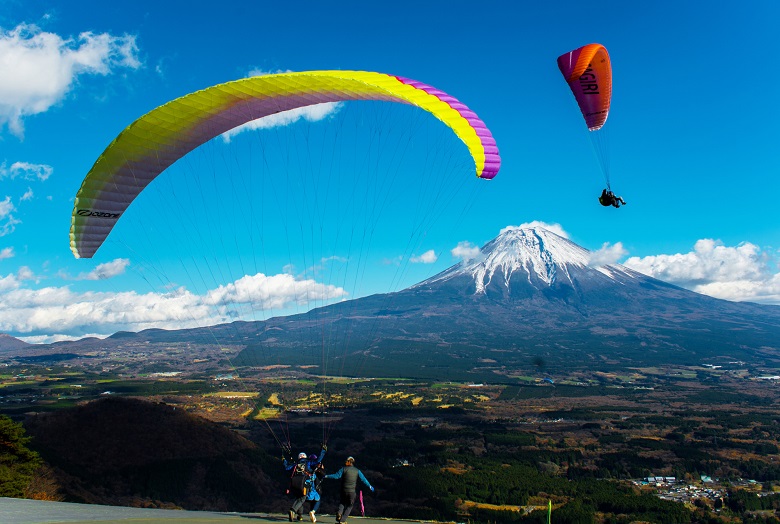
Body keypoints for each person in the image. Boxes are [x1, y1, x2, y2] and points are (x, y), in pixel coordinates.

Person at [324, 456, 374, 524]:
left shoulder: (343, 469)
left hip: (344, 490)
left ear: (349, 462)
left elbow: (336, 476)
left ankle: (339, 513)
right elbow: (363, 479)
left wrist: (326, 476)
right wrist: (370, 486)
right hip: (352, 492)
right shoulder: (357, 471)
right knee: (350, 505)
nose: (345, 462)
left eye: (346, 461)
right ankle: (342, 520)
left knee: (342, 502)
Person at [283, 445, 327, 522]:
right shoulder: (309, 462)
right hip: (304, 484)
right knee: (302, 498)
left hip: (295, 484)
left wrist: (284, 461)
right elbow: (318, 460)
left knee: (299, 498)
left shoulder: (296, 464)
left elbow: (287, 468)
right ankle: (293, 511)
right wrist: (323, 451)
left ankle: (299, 515)